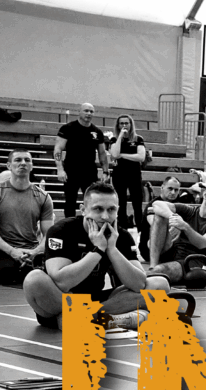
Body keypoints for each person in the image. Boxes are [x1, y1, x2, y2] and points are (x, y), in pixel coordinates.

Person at [24, 182, 174, 331]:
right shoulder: (61, 230)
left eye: (111, 210)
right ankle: (108, 319)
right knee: (34, 280)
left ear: (118, 210)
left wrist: (112, 249)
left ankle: (84, 318)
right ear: (83, 210)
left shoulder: (121, 236)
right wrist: (98, 250)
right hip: (59, 299)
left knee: (160, 284)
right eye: (98, 209)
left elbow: (138, 284)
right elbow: (62, 282)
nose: (105, 216)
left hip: (97, 300)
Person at [146, 182, 206, 283]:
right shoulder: (189, 210)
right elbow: (157, 204)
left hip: (193, 261)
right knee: (160, 215)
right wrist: (173, 217)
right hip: (172, 253)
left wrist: (184, 226)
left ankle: (148, 276)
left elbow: (202, 243)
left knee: (159, 271)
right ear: (205, 195)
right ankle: (152, 266)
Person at [0, 149, 55, 285]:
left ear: (31, 166)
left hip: (31, 251)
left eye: (27, 160)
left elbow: (49, 234)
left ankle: (85, 300)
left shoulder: (43, 197)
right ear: (9, 166)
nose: (23, 163)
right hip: (4, 250)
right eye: (18, 160)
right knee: (7, 273)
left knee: (59, 272)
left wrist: (35, 252)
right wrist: (12, 251)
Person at [54, 102, 109, 218]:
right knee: (70, 201)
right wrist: (60, 169)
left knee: (92, 201)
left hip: (89, 171)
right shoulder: (68, 128)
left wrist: (105, 171)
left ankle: (91, 224)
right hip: (71, 170)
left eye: (91, 111)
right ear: (79, 112)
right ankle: (69, 225)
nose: (89, 113)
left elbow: (102, 153)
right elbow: (58, 149)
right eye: (86, 110)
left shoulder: (97, 132)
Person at [108, 114, 147, 231]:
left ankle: (140, 230)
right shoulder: (114, 139)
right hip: (119, 174)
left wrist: (122, 156)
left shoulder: (138, 139)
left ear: (131, 124)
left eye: (126, 123)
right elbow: (114, 154)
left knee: (137, 203)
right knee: (121, 203)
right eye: (121, 123)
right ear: (118, 125)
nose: (124, 125)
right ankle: (122, 230)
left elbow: (141, 157)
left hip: (134, 174)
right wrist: (120, 136)